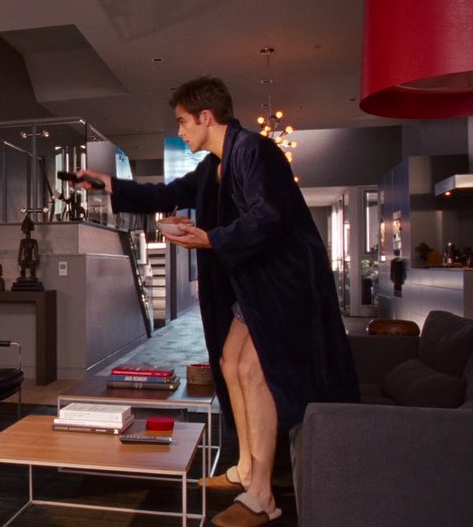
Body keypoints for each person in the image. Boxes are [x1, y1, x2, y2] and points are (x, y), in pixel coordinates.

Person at [77, 76, 359, 527]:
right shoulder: (214, 166)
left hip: (284, 282)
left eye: (183, 122)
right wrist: (111, 184)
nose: (180, 131)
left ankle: (262, 495)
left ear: (206, 117)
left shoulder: (256, 150)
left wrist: (210, 238)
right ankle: (246, 467)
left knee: (255, 371)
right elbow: (167, 193)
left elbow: (270, 216)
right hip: (254, 282)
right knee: (229, 362)